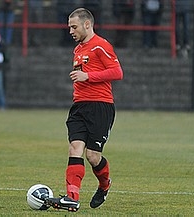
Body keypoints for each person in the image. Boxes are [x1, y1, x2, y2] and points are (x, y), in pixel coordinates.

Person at [44, 8, 123, 212]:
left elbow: (117, 72)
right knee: (75, 149)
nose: (70, 30)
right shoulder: (78, 49)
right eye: (69, 26)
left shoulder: (101, 45)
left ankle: (104, 185)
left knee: (93, 156)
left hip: (100, 106)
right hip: (79, 107)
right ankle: (72, 198)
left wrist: (88, 77)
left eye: (74, 26)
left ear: (87, 24)